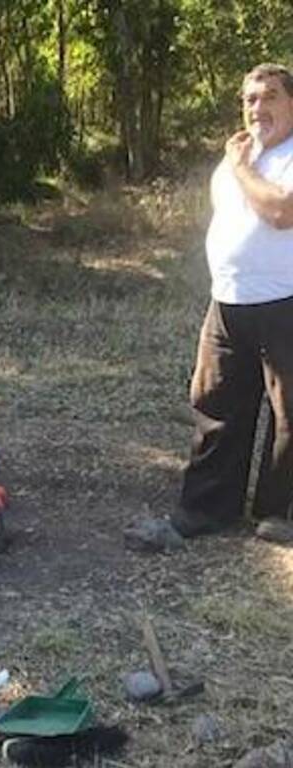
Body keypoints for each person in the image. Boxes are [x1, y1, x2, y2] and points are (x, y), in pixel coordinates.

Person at [128, 63, 293, 551]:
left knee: (289, 417)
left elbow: (281, 212)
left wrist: (242, 168)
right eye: (249, 99)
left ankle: (277, 513)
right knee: (215, 406)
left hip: (285, 300)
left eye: (269, 97)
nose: (256, 108)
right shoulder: (237, 156)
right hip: (228, 300)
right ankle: (207, 510)